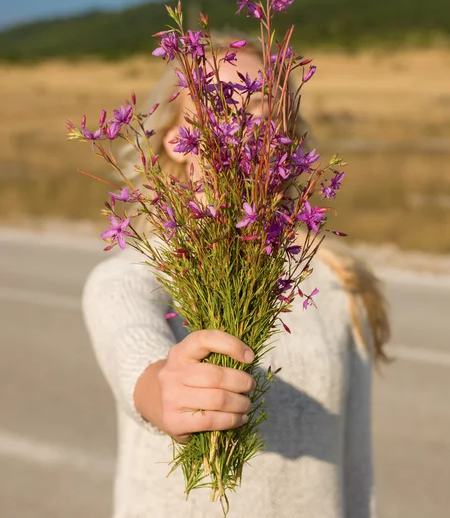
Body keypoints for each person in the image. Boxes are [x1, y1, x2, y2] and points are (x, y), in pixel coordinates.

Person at [82, 42, 390, 518]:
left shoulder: (334, 278)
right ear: (172, 139)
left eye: (260, 110)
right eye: (218, 108)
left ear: (285, 135)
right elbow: (131, 342)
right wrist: (163, 388)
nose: (239, 128)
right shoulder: (134, 272)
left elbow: (356, 467)